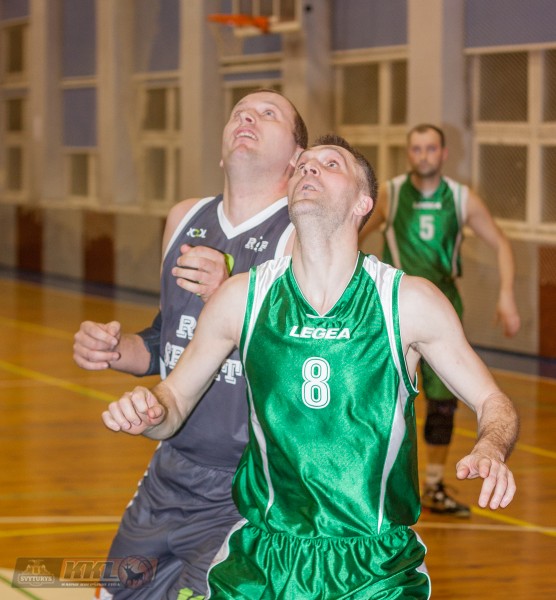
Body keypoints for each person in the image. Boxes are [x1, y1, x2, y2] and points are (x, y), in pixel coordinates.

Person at [102, 134, 519, 599]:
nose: (309, 169)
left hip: (375, 566)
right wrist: (151, 411)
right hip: (262, 558)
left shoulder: (407, 302)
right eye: (302, 165)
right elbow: (175, 399)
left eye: (331, 163)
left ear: (363, 202)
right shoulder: (242, 297)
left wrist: (491, 447)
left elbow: (493, 401)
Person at [73, 89, 308, 599]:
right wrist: (117, 350)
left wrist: (230, 295)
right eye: (240, 112)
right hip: (171, 466)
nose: (248, 117)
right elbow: (169, 336)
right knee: (115, 592)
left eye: (268, 114)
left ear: (296, 157)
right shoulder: (184, 218)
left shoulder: (301, 237)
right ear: (222, 151)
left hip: (250, 485)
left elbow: (305, 359)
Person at [359, 123, 521, 518]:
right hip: (395, 305)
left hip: (444, 304)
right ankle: (372, 479)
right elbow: (354, 232)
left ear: (444, 153)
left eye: (431, 148)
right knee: (382, 396)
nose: (424, 155)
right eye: (416, 149)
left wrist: (506, 293)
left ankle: (433, 484)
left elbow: (500, 242)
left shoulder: (461, 198)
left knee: (443, 402)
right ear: (408, 153)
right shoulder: (392, 194)